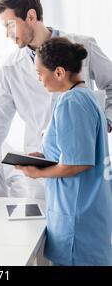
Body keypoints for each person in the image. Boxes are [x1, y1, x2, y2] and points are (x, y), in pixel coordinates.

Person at [0, 0, 112, 200]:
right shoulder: (10, 68)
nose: (7, 34)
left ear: (31, 16)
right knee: (44, 230)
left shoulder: (83, 46)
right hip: (40, 169)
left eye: (10, 24)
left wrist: (106, 121)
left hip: (82, 162)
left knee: (79, 221)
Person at [16, 38, 112, 266]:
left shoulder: (71, 102)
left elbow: (78, 164)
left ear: (59, 72)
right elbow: (73, 151)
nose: (39, 79)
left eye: (40, 73)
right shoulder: (85, 96)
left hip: (77, 219)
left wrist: (36, 173)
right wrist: (46, 157)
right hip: (86, 214)